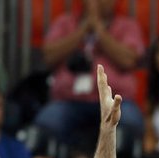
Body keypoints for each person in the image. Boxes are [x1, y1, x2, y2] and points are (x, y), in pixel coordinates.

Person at [35, 0, 144, 148]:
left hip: (114, 101)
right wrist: (83, 29)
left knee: (131, 122)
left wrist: (98, 28)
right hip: (69, 100)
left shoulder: (127, 26)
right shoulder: (64, 23)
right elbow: (49, 57)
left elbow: (128, 60)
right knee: (47, 121)